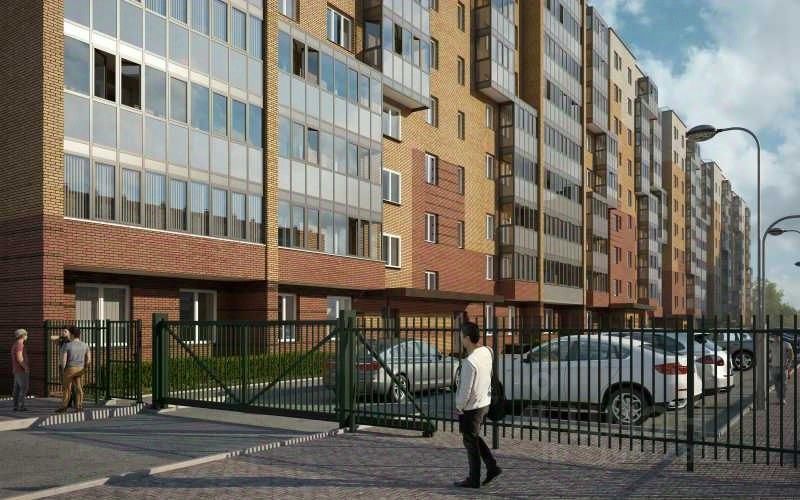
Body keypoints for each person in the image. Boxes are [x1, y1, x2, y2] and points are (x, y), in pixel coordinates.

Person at [453, 322, 501, 489]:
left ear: (467, 338)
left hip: (472, 408)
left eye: (461, 336)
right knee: (473, 437)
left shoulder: (470, 362)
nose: (460, 339)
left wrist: (459, 406)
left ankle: (474, 479)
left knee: (470, 442)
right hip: (484, 403)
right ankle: (492, 466)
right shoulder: (487, 351)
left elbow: (465, 391)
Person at [56, 326, 91, 413]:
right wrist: (85, 368)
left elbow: (64, 360)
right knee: (79, 388)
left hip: (70, 369)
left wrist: (63, 369)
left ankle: (64, 406)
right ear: (79, 334)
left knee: (67, 389)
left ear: (71, 334)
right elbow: (88, 359)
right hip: (80, 369)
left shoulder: (67, 345)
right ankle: (79, 406)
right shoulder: (85, 345)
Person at [770, 334, 795, 405]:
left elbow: (791, 355)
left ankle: (783, 399)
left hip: (783, 367)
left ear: (780, 337)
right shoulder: (771, 344)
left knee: (783, 384)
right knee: (776, 384)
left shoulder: (786, 344)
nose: (776, 338)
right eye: (774, 336)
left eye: (777, 336)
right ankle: (779, 398)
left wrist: (789, 364)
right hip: (774, 367)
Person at [11, 329, 30, 412]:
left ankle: (15, 406)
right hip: (21, 370)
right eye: (26, 335)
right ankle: (21, 406)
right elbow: (19, 358)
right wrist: (25, 367)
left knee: (17, 389)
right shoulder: (20, 344)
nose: (27, 336)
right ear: (22, 336)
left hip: (16, 369)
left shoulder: (15, 344)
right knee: (24, 388)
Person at [58, 329, 77, 409]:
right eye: (63, 331)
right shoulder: (63, 342)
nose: (63, 332)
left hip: (68, 366)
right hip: (61, 365)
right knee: (65, 385)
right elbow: (52, 338)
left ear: (70, 333)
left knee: (72, 385)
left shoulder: (70, 343)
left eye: (65, 331)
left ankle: (75, 402)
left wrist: (64, 367)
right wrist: (62, 337)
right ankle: (69, 402)